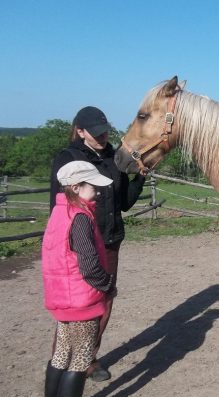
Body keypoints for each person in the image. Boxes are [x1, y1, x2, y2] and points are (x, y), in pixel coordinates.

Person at [50, 106, 145, 381]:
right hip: (81, 244)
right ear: (80, 131)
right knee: (76, 309)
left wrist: (140, 177)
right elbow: (59, 207)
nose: (103, 136)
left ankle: (88, 358)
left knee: (103, 304)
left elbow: (125, 202)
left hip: (111, 240)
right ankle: (62, 361)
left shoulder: (113, 158)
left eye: (104, 130)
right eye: (96, 132)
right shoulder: (68, 160)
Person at [42, 160, 115, 397]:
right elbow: (89, 265)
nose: (96, 192)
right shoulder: (81, 218)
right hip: (81, 299)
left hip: (62, 297)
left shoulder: (60, 212)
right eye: (92, 186)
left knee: (61, 355)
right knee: (81, 358)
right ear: (75, 187)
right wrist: (107, 285)